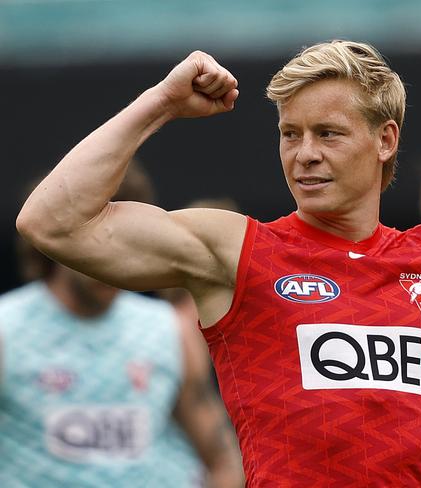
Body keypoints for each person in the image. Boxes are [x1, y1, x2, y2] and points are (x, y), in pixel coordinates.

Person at [15, 40, 421, 486]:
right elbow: (52, 221)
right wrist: (158, 104)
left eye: (329, 133)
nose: (304, 155)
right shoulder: (235, 250)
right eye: (291, 134)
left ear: (386, 139)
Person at [0, 165, 244, 487]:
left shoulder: (169, 331)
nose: (109, 261)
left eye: (122, 245)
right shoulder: (7, 328)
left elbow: (222, 459)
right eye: (96, 242)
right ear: (57, 240)